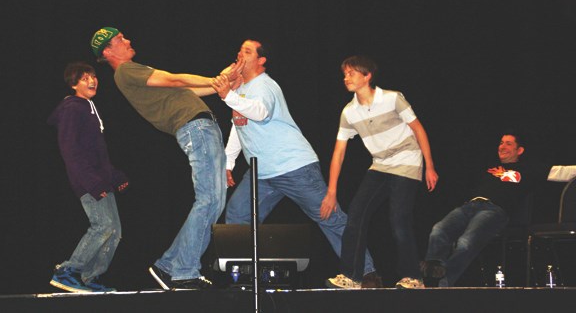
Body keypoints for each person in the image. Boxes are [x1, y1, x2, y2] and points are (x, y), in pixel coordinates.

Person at [210, 40, 381, 288]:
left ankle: (366, 274)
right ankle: (247, 275)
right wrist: (228, 162)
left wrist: (228, 95)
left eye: (247, 52)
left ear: (261, 61)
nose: (240, 54)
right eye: (239, 51)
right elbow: (239, 126)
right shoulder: (242, 90)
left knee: (330, 218)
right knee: (238, 216)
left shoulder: (264, 85)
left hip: (294, 167)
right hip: (262, 172)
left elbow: (260, 112)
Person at [90, 27, 243, 290]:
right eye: (119, 39)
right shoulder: (126, 70)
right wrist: (218, 78)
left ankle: (171, 265)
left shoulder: (133, 74)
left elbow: (188, 92)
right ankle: (181, 270)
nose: (127, 40)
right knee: (209, 200)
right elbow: (175, 80)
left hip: (200, 128)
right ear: (107, 51)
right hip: (196, 129)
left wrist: (220, 85)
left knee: (213, 202)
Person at [324, 55, 439, 289]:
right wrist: (331, 191)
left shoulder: (392, 99)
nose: (346, 78)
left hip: (407, 159)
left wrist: (430, 165)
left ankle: (413, 277)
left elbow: (418, 129)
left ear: (367, 76)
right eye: (344, 74)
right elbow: (339, 152)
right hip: (380, 164)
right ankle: (351, 277)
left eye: (352, 73)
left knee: (398, 219)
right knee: (355, 215)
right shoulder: (349, 112)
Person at [420, 132, 575, 287]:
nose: (502, 146)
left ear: (519, 150)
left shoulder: (529, 169)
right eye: (501, 143)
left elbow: (562, 172)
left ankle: (441, 283)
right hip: (469, 206)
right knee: (438, 230)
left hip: (494, 210)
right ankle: (433, 276)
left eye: (508, 143)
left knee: (465, 243)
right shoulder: (488, 167)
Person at [48, 61, 129, 293]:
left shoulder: (88, 107)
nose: (92, 81)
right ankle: (68, 271)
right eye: (84, 78)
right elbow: (71, 151)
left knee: (114, 231)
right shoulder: (72, 108)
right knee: (102, 226)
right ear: (74, 84)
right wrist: (92, 182)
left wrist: (114, 176)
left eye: (93, 76)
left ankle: (88, 278)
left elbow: (97, 154)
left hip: (100, 181)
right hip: (88, 182)